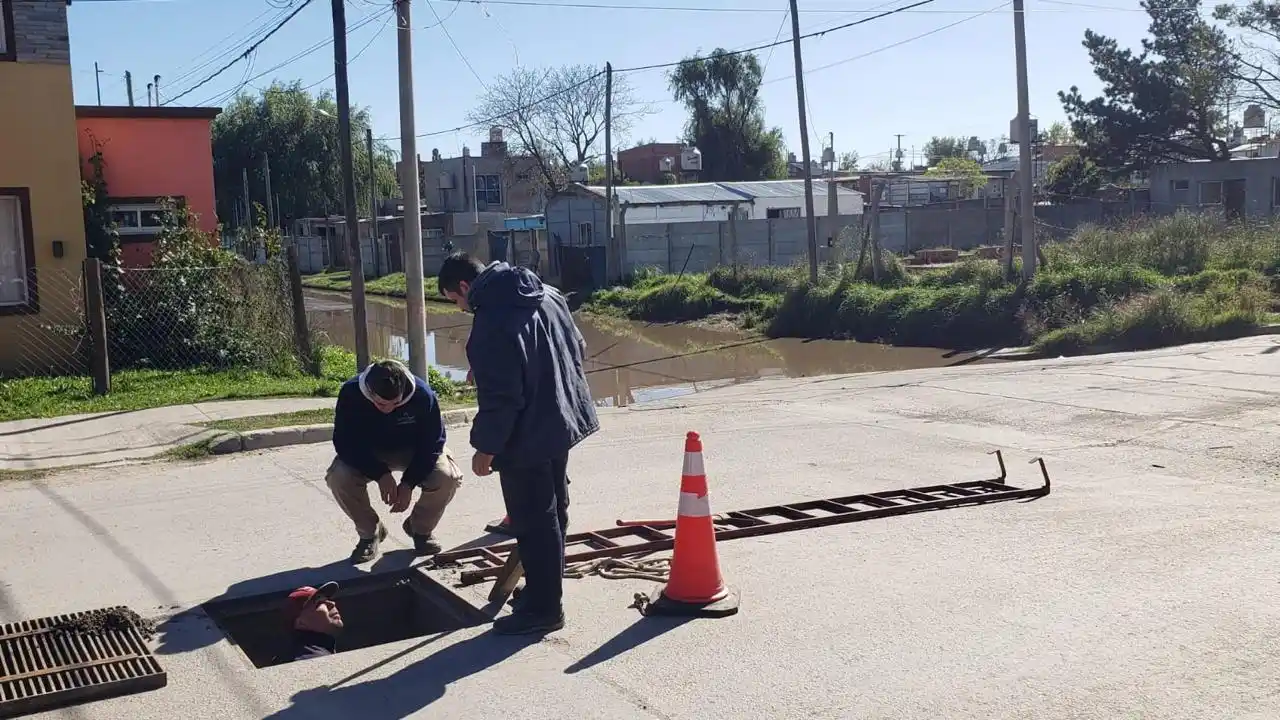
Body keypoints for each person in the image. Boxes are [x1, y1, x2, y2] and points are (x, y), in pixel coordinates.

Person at [438, 253, 598, 635]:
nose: (460, 309)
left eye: (454, 301)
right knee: (555, 509)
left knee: (533, 521)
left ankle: (544, 609)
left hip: (525, 437)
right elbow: (578, 347)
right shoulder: (549, 294)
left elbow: (503, 399)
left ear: (465, 287)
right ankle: (546, 591)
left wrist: (486, 448)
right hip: (561, 418)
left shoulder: (491, 322)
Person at [326, 358, 463, 563]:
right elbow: (345, 443)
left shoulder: (422, 395)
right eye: (381, 403)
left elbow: (433, 443)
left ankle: (420, 530)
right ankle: (370, 533)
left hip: (413, 451)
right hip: (371, 453)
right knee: (338, 477)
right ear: (369, 392)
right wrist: (380, 474)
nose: (389, 408)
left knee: (447, 477)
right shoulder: (351, 393)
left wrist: (408, 483)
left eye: (396, 403)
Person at [280, 581, 342, 663]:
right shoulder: (312, 659)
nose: (332, 603)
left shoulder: (301, 652)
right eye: (319, 602)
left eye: (327, 599)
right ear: (301, 623)